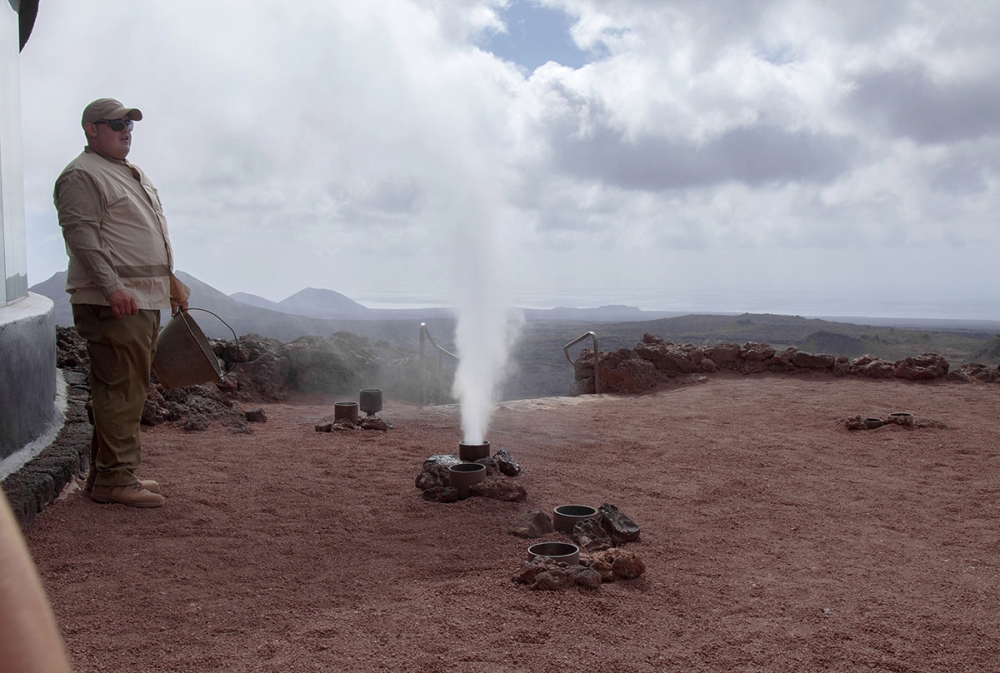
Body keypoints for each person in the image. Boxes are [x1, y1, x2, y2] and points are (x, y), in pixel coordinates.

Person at [54, 98, 189, 508]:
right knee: (121, 387)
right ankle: (116, 478)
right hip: (114, 302)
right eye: (116, 124)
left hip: (141, 298)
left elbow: (143, 238)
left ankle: (107, 474)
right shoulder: (81, 175)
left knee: (125, 386)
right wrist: (112, 287)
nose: (126, 130)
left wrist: (170, 284)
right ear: (91, 129)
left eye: (129, 124)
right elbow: (83, 237)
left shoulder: (128, 172)